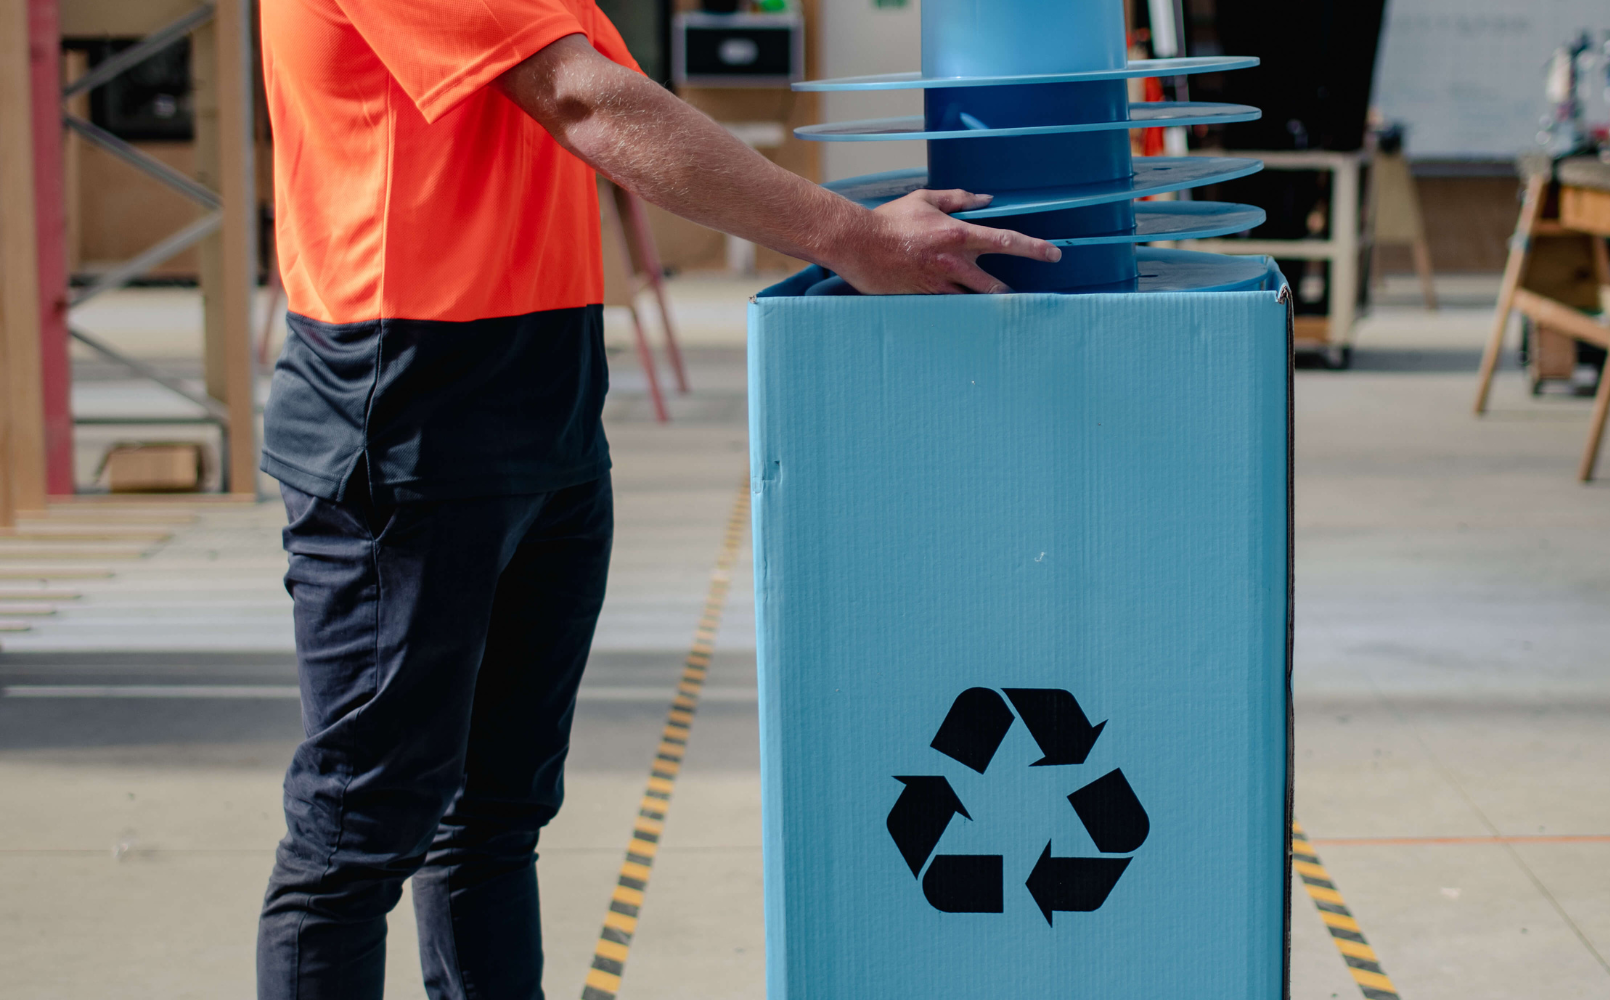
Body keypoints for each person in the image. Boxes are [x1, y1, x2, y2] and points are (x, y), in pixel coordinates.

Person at [252, 0, 1058, 996]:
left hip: (541, 399)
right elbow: (583, 97)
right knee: (356, 835)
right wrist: (846, 234)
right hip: (407, 410)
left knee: (494, 820)